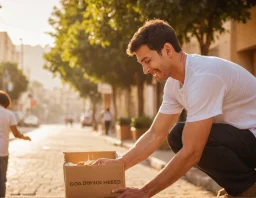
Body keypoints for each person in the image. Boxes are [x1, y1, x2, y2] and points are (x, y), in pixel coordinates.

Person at [94, 19, 256, 198]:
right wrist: (119, 164)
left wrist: (144, 192)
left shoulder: (204, 77)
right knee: (177, 136)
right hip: (244, 138)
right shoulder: (173, 84)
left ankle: (248, 189)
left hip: (251, 137)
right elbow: (156, 134)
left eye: (147, 61)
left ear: (168, 50)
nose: (146, 70)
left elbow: (193, 152)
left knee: (190, 139)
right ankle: (240, 186)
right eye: (142, 64)